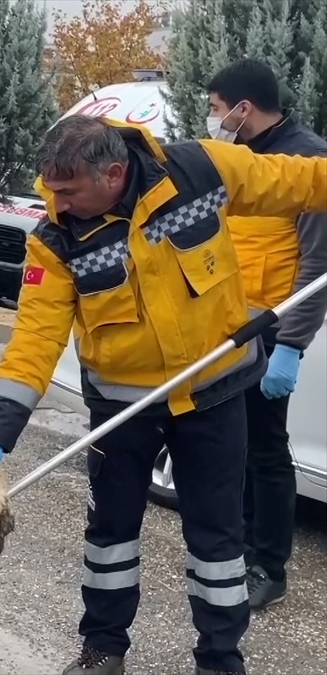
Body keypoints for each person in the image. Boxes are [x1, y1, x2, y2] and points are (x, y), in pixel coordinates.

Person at [0, 115, 327, 675]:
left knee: (219, 541)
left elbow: (295, 182)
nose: (54, 203)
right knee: (109, 538)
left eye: (66, 191)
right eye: (49, 189)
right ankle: (103, 648)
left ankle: (220, 659)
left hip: (214, 393)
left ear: (112, 173)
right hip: (122, 409)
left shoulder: (201, 170)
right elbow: (35, 339)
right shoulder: (57, 239)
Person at [206, 58, 327, 611]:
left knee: (267, 452)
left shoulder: (309, 161)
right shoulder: (237, 157)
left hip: (272, 331)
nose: (213, 119)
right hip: (228, 326)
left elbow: (318, 265)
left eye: (215, 109)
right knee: (235, 446)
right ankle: (237, 548)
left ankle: (267, 566)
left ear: (242, 109)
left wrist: (292, 347)